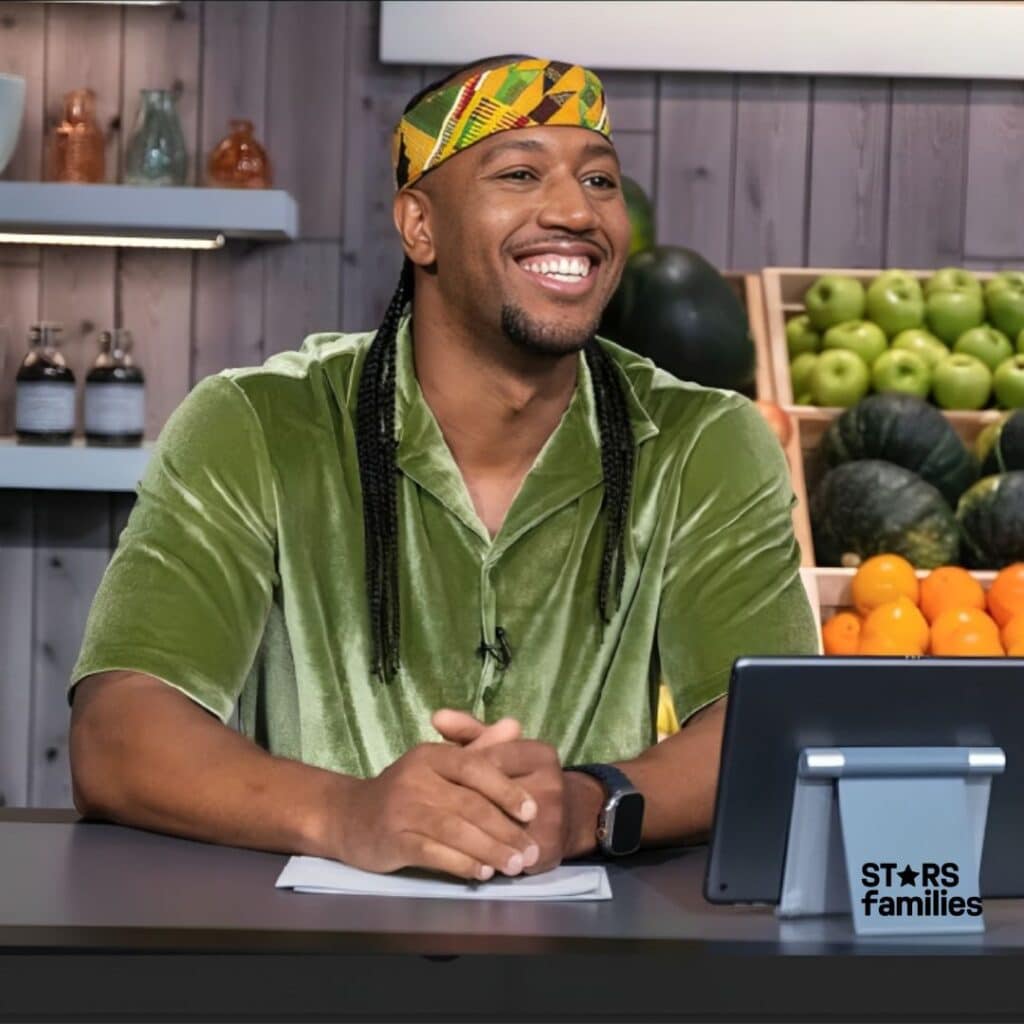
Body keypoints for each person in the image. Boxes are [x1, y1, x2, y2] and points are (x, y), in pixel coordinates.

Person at [68, 55, 818, 883]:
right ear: (420, 227)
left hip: (591, 978)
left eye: (600, 181)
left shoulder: (704, 441)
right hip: (304, 973)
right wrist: (347, 814)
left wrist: (584, 805)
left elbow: (768, 735)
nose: (576, 210)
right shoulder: (256, 425)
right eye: (522, 173)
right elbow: (118, 733)